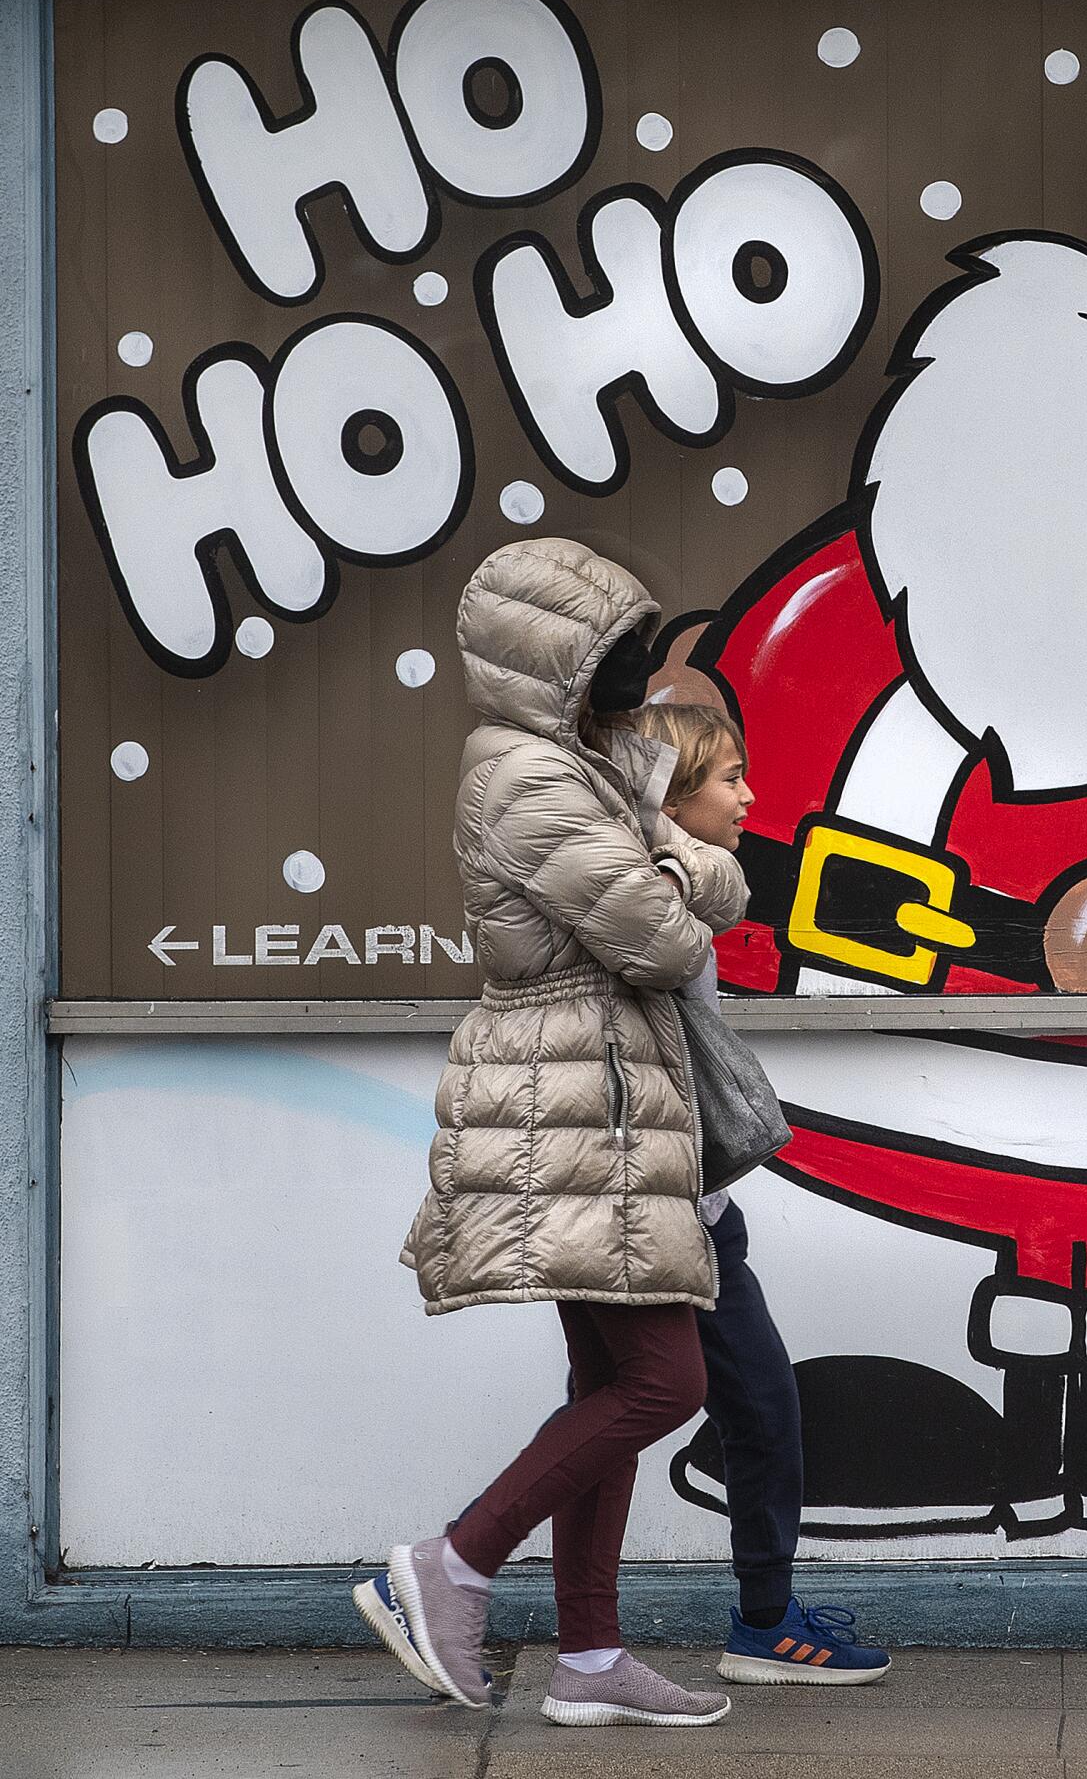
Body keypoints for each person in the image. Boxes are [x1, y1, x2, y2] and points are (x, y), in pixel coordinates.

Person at [351, 535, 741, 1728]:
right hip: (573, 1100)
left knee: (610, 1377)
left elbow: (720, 885)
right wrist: (677, 857)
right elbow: (670, 940)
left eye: (632, 644)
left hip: (601, 1093)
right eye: (609, 652)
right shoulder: (525, 776)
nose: (632, 671)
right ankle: (455, 1560)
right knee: (667, 1378)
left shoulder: (586, 764)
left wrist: (673, 854)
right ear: (549, 664)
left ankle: (586, 1654)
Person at [595, 699, 891, 1686]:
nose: (749, 795)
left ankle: (597, 1633)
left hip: (693, 1210)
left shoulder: (665, 892)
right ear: (673, 797)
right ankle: (760, 1622)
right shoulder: (646, 903)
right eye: (728, 778)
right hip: (671, 1217)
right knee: (753, 1408)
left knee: (626, 1414)